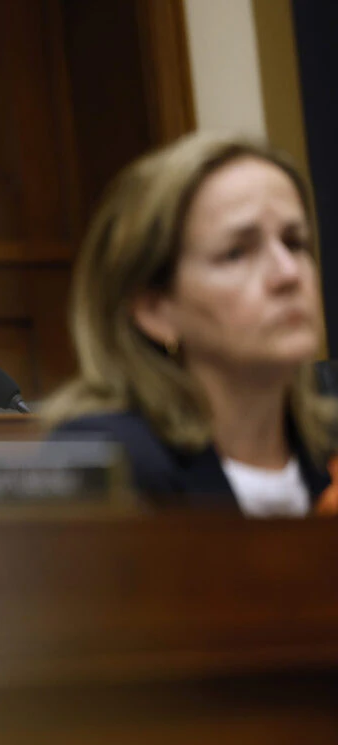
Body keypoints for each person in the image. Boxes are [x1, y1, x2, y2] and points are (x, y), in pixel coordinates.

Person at [46, 132, 336, 516]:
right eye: (237, 253)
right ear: (155, 311)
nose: (288, 274)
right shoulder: (110, 467)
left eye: (295, 242)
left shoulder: (328, 444)